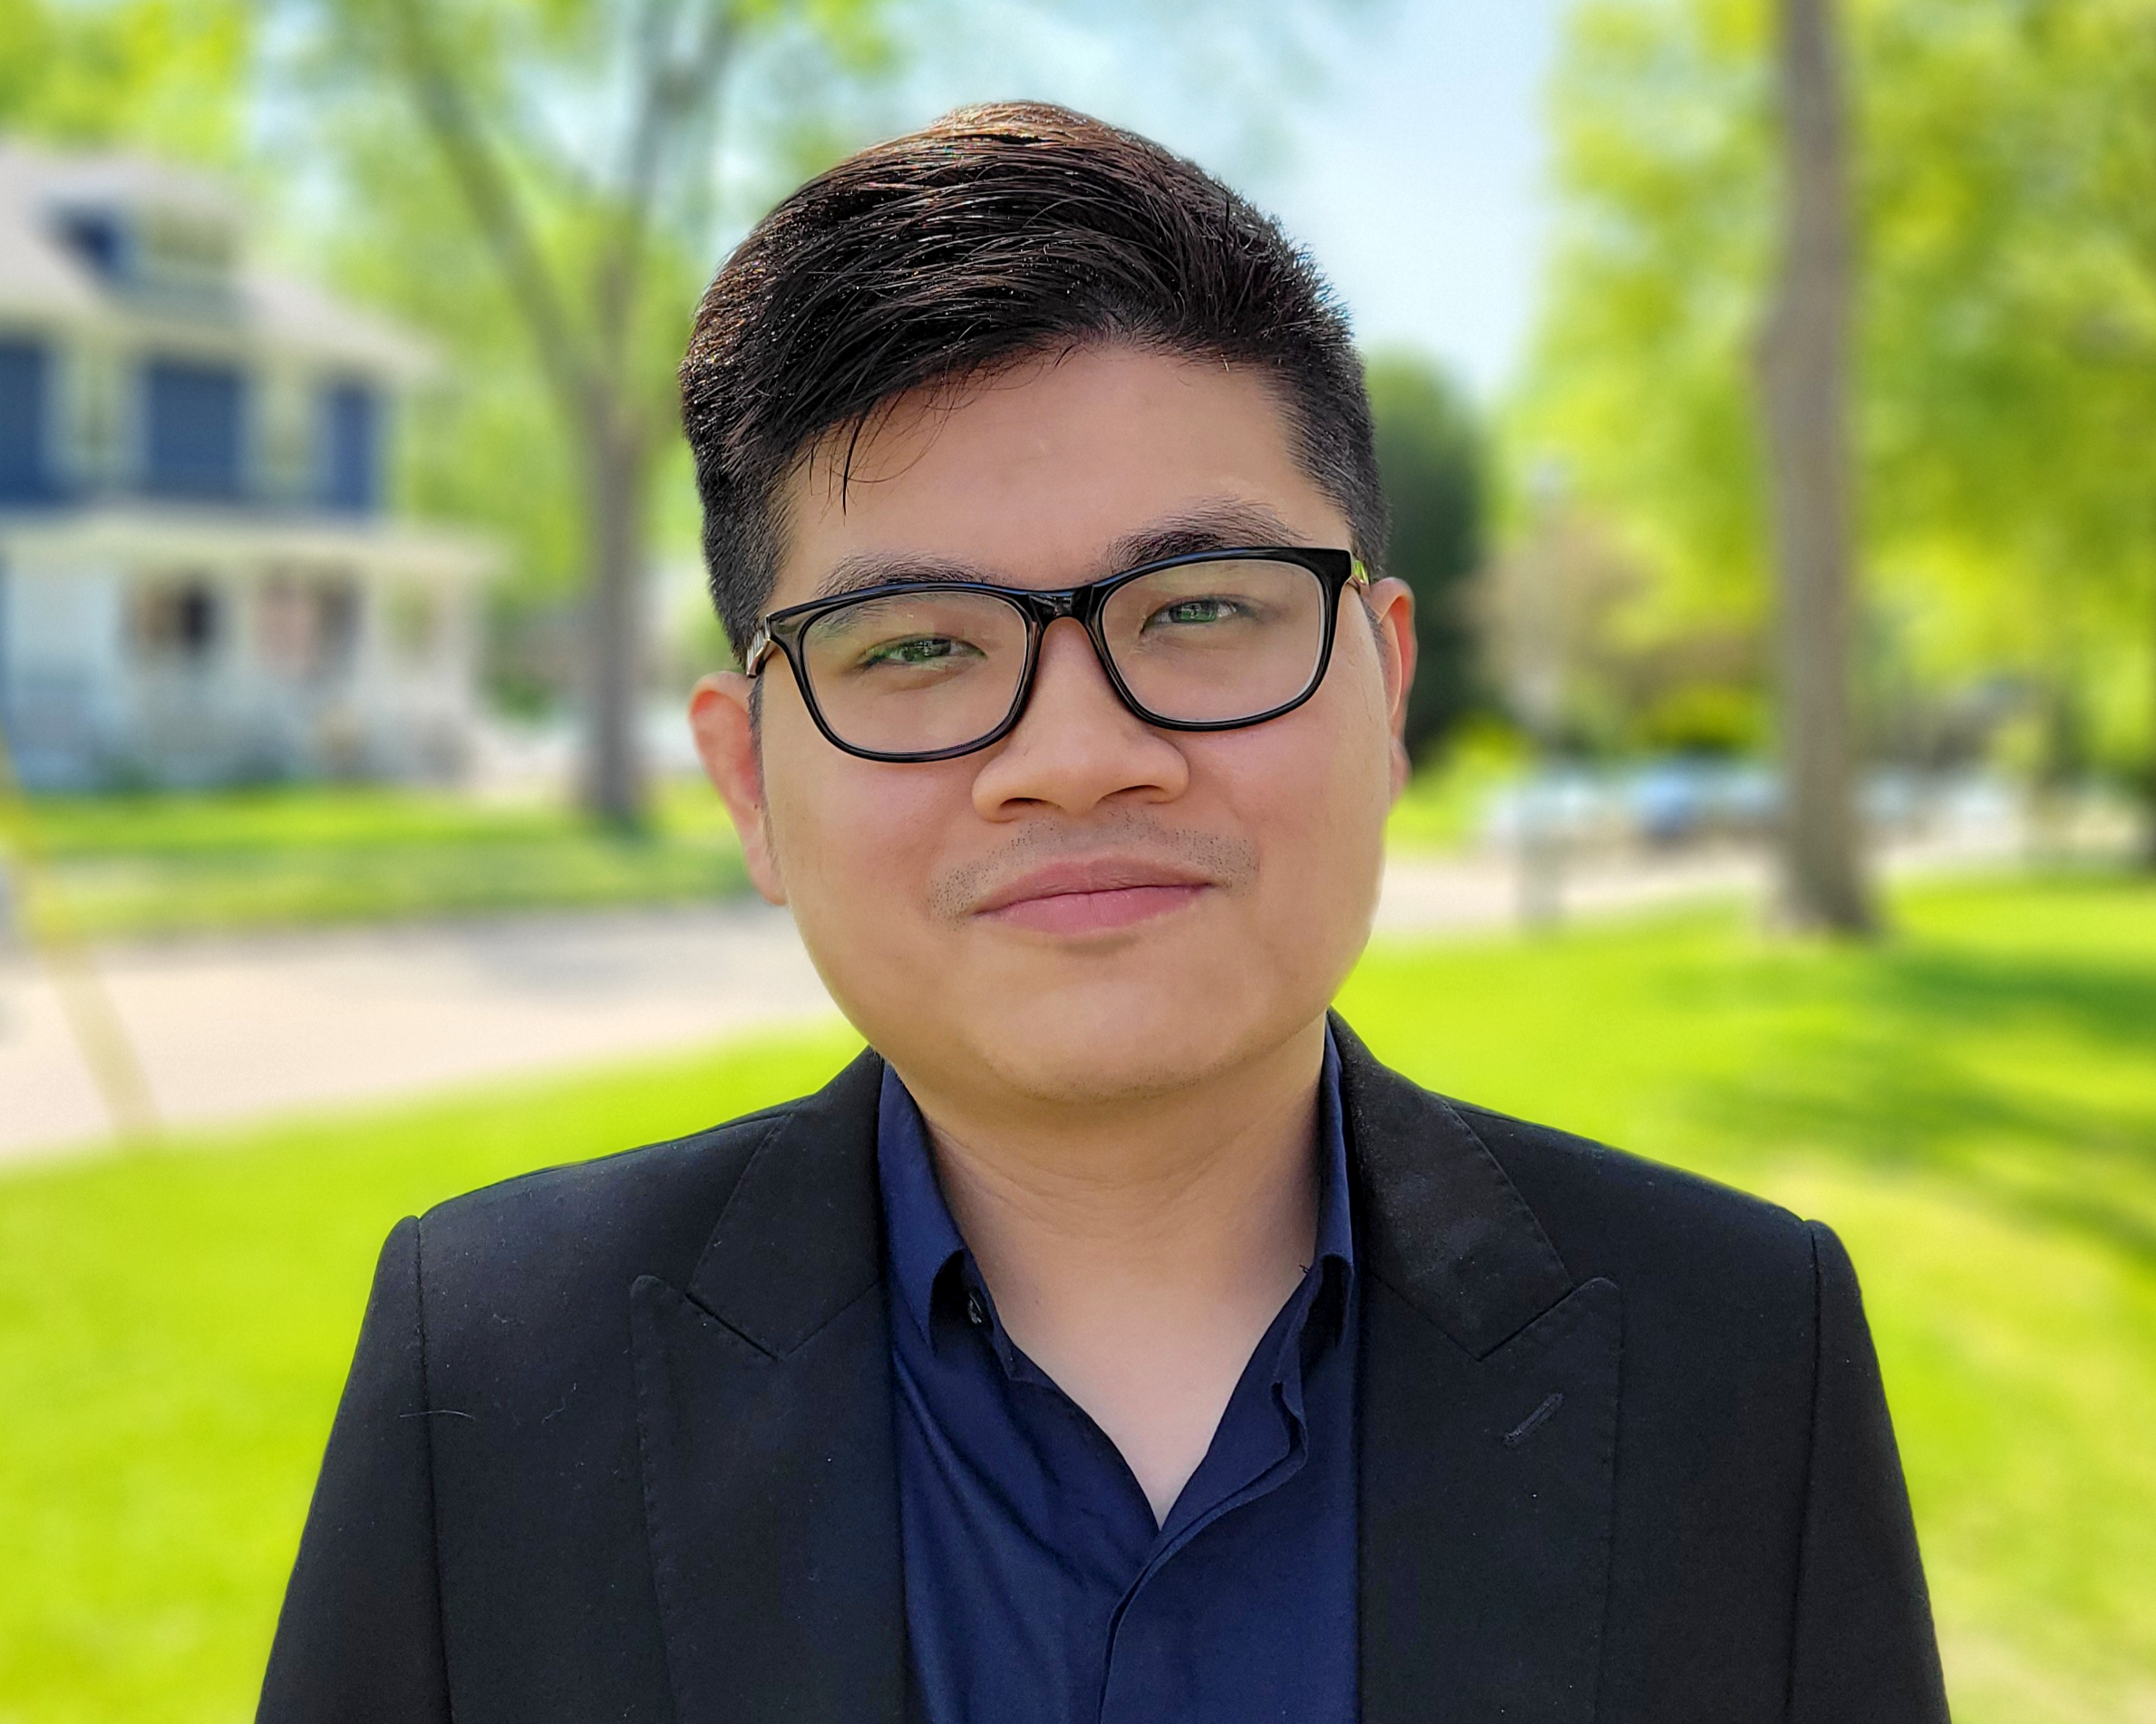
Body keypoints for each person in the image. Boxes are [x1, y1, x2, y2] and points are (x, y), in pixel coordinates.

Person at [258, 103, 1948, 1724]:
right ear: (749, 781)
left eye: (1201, 605)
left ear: (1387, 685)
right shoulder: (484, 1369)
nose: (1074, 757)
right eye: (912, 644)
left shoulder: (1740, 1351)